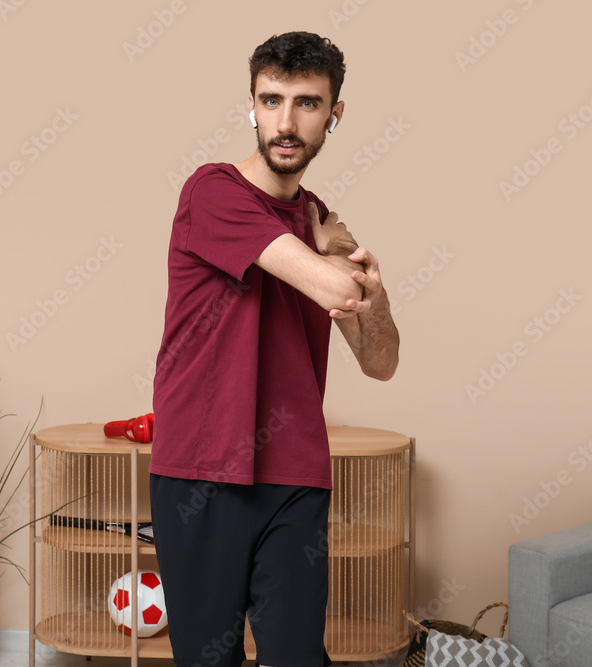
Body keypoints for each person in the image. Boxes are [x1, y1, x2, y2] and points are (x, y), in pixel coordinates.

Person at [149, 31, 399, 667]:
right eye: (272, 100)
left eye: (307, 104)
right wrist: (340, 260)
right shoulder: (212, 191)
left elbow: (381, 361)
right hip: (203, 471)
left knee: (297, 657)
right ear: (252, 105)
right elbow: (329, 284)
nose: (285, 122)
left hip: (294, 471)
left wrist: (373, 289)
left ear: (334, 114)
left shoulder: (315, 218)